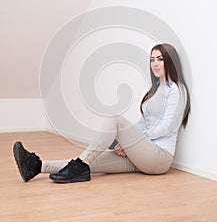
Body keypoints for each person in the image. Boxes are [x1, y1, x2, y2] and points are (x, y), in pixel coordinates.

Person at [13, 43, 191, 184]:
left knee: (116, 120)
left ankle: (79, 167)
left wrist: (133, 141)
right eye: (152, 59)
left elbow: (167, 128)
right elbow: (143, 123)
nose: (155, 64)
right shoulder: (155, 90)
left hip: (159, 158)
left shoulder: (176, 89)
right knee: (92, 160)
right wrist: (127, 142)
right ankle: (36, 166)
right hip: (144, 154)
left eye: (160, 59)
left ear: (170, 61)